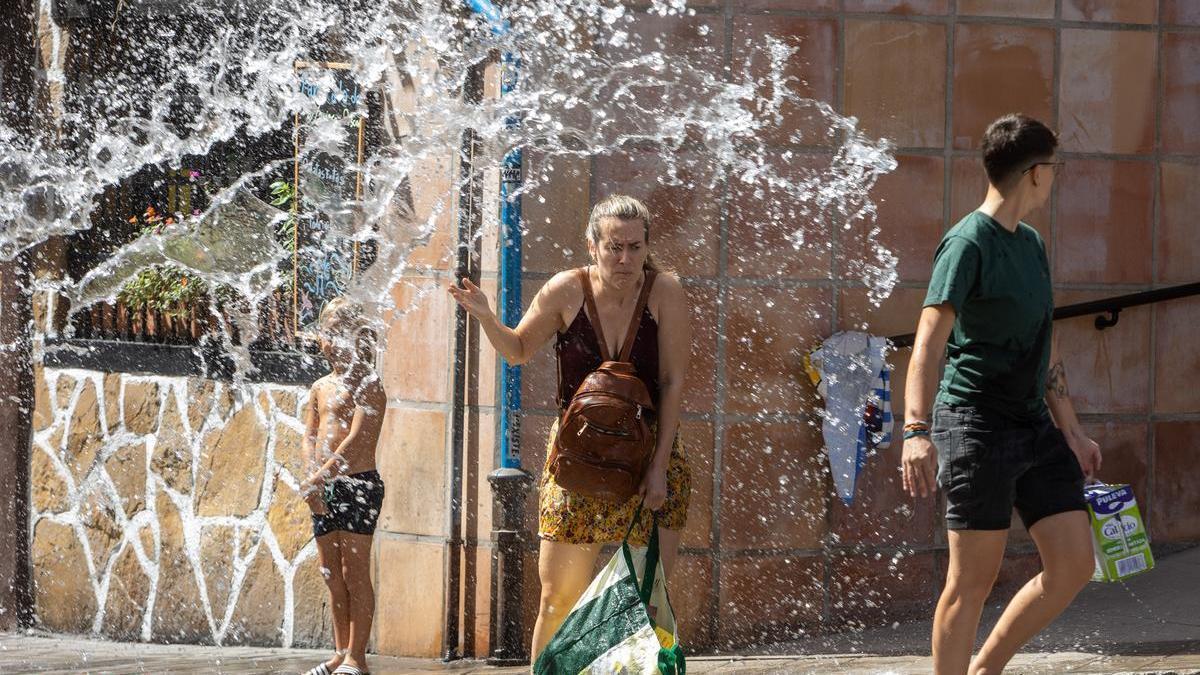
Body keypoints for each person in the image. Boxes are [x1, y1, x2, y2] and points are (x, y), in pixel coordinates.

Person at [448, 194, 693, 660]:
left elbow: (672, 382)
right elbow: (518, 350)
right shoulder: (566, 290)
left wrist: (659, 468)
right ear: (591, 245)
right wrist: (485, 316)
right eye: (614, 247)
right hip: (575, 461)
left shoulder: (666, 292)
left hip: (649, 461)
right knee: (557, 599)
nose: (625, 259)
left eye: (636, 248)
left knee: (648, 605)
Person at [900, 114, 1103, 675]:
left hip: (1033, 425)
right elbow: (926, 347)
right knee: (970, 583)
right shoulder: (968, 243)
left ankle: (986, 669)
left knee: (1073, 564)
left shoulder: (1032, 244)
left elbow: (1048, 346)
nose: (1055, 179)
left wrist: (1073, 430)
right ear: (1036, 173)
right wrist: (916, 430)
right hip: (975, 425)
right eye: (1055, 169)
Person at [299, 298, 387, 675]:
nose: (334, 341)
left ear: (358, 337)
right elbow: (310, 434)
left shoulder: (369, 384)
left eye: (342, 333)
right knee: (331, 572)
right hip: (324, 487)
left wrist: (324, 474)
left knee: (354, 572)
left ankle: (358, 656)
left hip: (358, 485)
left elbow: (356, 440)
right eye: (329, 333)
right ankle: (339, 651)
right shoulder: (320, 386)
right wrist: (311, 477)